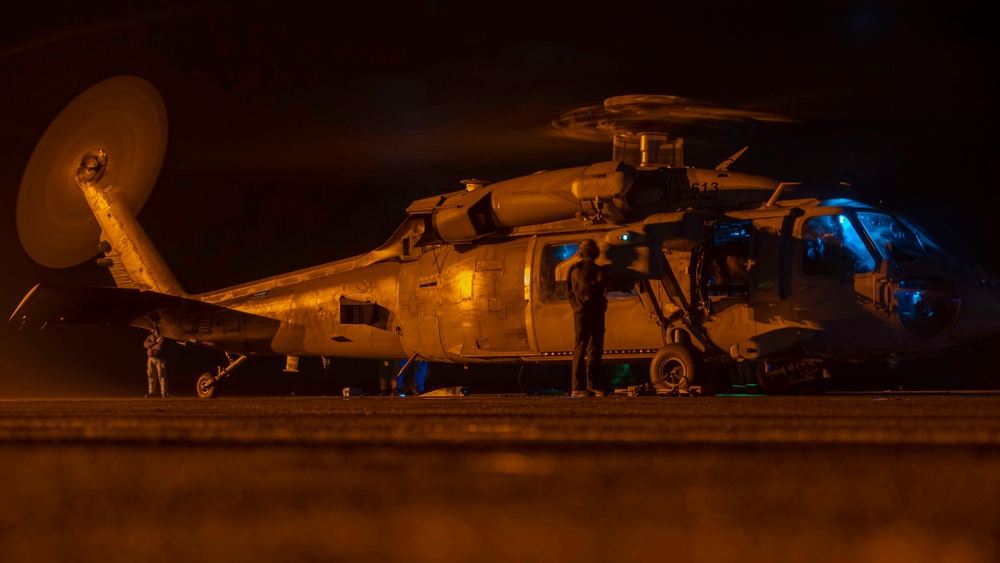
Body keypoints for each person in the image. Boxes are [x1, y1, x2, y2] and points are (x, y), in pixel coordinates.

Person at [566, 238, 612, 397]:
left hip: (585, 313)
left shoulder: (575, 269)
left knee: (590, 348)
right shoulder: (582, 270)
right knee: (588, 348)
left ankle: (588, 386)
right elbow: (586, 290)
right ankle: (580, 387)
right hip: (587, 313)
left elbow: (571, 292)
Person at [144, 329, 170, 398]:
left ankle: (164, 393)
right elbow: (145, 344)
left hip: (160, 358)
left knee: (161, 375)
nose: (156, 332)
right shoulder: (151, 336)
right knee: (151, 376)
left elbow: (160, 347)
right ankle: (152, 392)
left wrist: (151, 347)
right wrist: (154, 343)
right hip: (150, 359)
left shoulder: (163, 338)